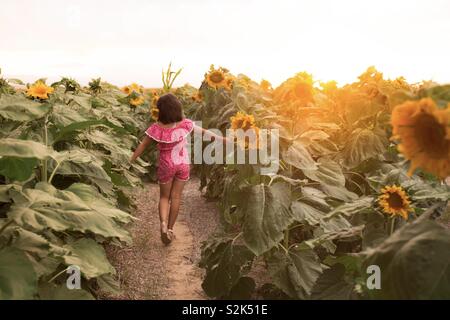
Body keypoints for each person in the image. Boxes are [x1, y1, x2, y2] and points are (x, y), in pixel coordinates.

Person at [130, 93, 228, 244]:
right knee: (176, 197)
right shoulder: (185, 124)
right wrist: (223, 139)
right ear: (177, 109)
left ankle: (162, 224)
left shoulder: (156, 128)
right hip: (182, 163)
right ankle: (170, 229)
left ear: (161, 111)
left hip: (166, 164)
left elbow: (143, 145)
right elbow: (205, 133)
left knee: (164, 197)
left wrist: (131, 159)